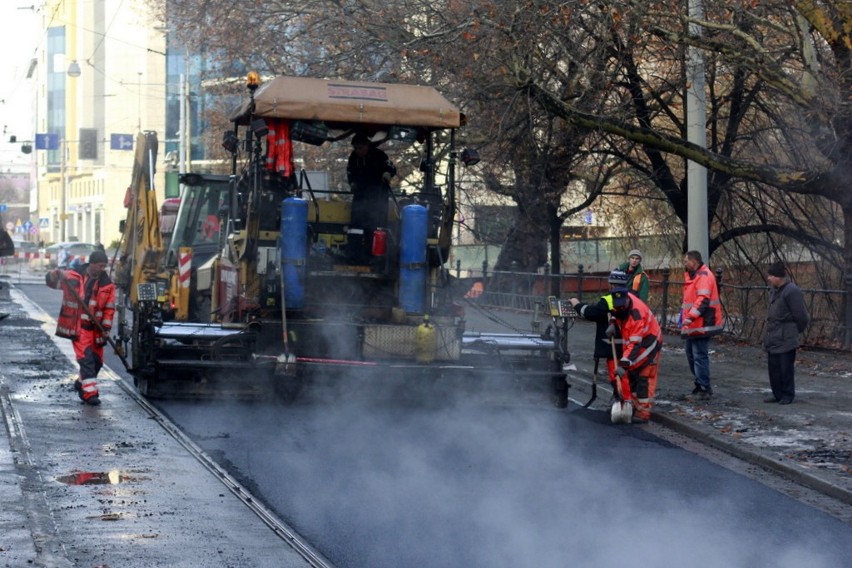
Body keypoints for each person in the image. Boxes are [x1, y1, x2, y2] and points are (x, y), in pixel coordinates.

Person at [45, 250, 116, 406]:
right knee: (87, 360)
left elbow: (109, 309)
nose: (102, 269)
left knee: (97, 362)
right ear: (91, 264)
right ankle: (89, 394)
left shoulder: (107, 285)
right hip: (79, 327)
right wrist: (55, 275)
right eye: (100, 265)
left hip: (96, 330)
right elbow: (53, 283)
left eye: (105, 266)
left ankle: (81, 382)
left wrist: (105, 327)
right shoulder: (74, 277)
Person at [568, 269, 631, 403]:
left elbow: (591, 313)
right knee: (630, 373)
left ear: (611, 284)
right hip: (631, 342)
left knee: (617, 373)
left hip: (614, 343)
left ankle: (622, 401)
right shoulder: (631, 298)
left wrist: (577, 305)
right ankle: (628, 401)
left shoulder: (608, 300)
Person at [608, 287, 662, 423]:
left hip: (649, 342)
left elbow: (634, 345)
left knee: (643, 378)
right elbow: (615, 312)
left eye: (621, 305)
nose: (619, 307)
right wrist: (612, 323)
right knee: (633, 374)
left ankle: (643, 414)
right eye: (617, 305)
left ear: (627, 299)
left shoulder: (637, 315)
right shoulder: (620, 303)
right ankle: (632, 408)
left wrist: (623, 365)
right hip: (636, 341)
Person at [763, 261, 809, 405]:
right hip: (773, 335)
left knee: (785, 368)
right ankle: (777, 394)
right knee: (773, 368)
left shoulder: (791, 291)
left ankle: (787, 395)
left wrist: (795, 331)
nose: (769, 278)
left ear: (778, 277)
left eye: (771, 276)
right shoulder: (774, 290)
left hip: (786, 335)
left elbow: (801, 316)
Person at [346, 133, 396, 261]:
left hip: (377, 197)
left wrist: (387, 173)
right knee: (356, 225)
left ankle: (372, 256)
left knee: (373, 225)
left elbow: (391, 168)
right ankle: (353, 253)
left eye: (360, 148)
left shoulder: (379, 155)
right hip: (360, 196)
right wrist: (352, 182)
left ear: (367, 145)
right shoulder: (353, 157)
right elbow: (350, 172)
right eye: (355, 148)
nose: (358, 151)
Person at [681, 250, 722, 399]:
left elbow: (702, 299)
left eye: (686, 261)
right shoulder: (698, 275)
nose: (684, 264)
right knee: (693, 356)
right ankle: (701, 385)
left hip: (701, 323)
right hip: (696, 323)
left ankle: (704, 388)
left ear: (694, 262)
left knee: (698, 356)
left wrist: (690, 317)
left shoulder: (703, 276)